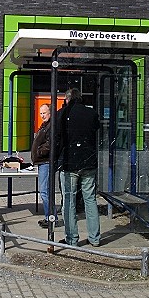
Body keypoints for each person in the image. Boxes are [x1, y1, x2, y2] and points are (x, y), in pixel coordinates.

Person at [57, 88, 101, 247]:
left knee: (69, 200)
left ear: (67, 99)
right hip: (89, 162)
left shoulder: (62, 113)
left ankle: (72, 239)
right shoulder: (91, 113)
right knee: (90, 199)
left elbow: (57, 138)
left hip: (69, 163)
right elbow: (96, 130)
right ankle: (95, 238)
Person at [31, 103, 57, 229]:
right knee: (45, 191)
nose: (42, 115)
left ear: (50, 113)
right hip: (42, 162)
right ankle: (50, 217)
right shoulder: (45, 125)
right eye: (41, 113)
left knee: (44, 191)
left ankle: (50, 217)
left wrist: (39, 152)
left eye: (44, 113)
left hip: (45, 161)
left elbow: (49, 143)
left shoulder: (50, 126)